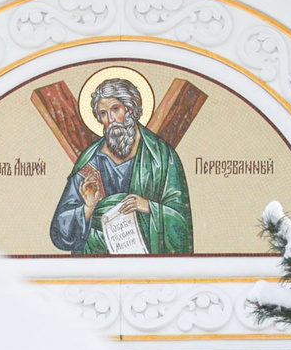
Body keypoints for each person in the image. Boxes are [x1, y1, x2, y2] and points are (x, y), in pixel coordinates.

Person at [47, 77, 193, 254]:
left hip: (145, 256)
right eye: (103, 114)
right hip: (95, 256)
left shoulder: (161, 157)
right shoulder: (90, 161)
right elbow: (59, 229)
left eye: (115, 109)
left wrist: (148, 207)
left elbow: (181, 221)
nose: (111, 119)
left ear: (130, 108)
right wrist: (87, 208)